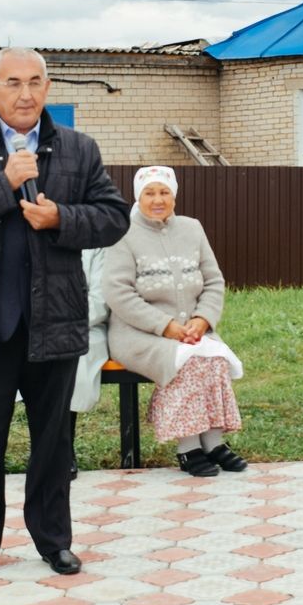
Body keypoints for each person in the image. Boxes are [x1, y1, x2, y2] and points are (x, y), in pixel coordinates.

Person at [0, 46, 130, 583]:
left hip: (52, 319)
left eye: (35, 82)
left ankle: (53, 541)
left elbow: (112, 218)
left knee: (54, 444)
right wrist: (4, 184)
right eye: (12, 83)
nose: (25, 93)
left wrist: (61, 216)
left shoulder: (78, 150)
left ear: (47, 87)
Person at [104, 167, 246, 478]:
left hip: (190, 330)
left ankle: (213, 442)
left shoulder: (192, 229)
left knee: (215, 358)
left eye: (164, 192)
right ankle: (188, 449)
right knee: (188, 361)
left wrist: (202, 319)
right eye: (150, 193)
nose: (158, 200)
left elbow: (214, 281)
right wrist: (166, 326)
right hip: (138, 334)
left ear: (174, 196)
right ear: (138, 197)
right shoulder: (123, 234)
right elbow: (118, 294)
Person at [68, 246, 111, 480]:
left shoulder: (96, 242)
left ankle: (64, 448)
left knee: (72, 359)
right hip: (39, 323)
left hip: (86, 325)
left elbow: (99, 299)